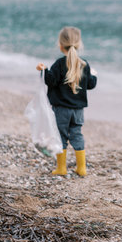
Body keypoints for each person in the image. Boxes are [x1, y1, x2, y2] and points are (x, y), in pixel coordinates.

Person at [36, 26, 97, 177]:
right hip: (78, 110)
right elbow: (91, 85)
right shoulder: (84, 64)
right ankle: (82, 168)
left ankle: (61, 168)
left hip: (61, 109)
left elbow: (50, 81)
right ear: (79, 44)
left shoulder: (59, 64)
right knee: (77, 134)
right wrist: (94, 75)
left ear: (60, 45)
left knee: (61, 136)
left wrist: (44, 70)